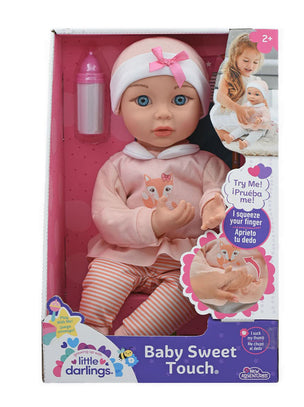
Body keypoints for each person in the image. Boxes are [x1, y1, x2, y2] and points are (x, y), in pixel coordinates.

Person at [79, 37, 241, 336]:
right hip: (124, 254)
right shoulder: (118, 165)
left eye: (180, 100)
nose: (163, 113)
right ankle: (90, 339)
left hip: (183, 261)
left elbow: (218, 189)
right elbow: (106, 214)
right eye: (143, 101)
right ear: (119, 107)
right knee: (101, 279)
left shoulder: (206, 163)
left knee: (193, 289)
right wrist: (151, 222)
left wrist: (215, 207)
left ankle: (130, 344)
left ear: (202, 107)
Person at [210, 33, 264, 143]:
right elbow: (220, 97)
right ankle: (222, 134)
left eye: (255, 62)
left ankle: (232, 135)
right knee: (217, 130)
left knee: (262, 127)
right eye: (246, 61)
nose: (250, 66)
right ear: (235, 58)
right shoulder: (228, 76)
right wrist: (237, 108)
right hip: (228, 114)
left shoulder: (256, 80)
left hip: (244, 116)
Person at [222, 80, 272, 149]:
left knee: (255, 135)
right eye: (249, 93)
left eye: (256, 94)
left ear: (263, 97)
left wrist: (261, 120)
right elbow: (241, 111)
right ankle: (231, 137)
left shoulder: (262, 108)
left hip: (259, 127)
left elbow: (267, 118)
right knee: (240, 129)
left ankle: (245, 143)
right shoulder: (247, 105)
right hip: (248, 125)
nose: (252, 96)